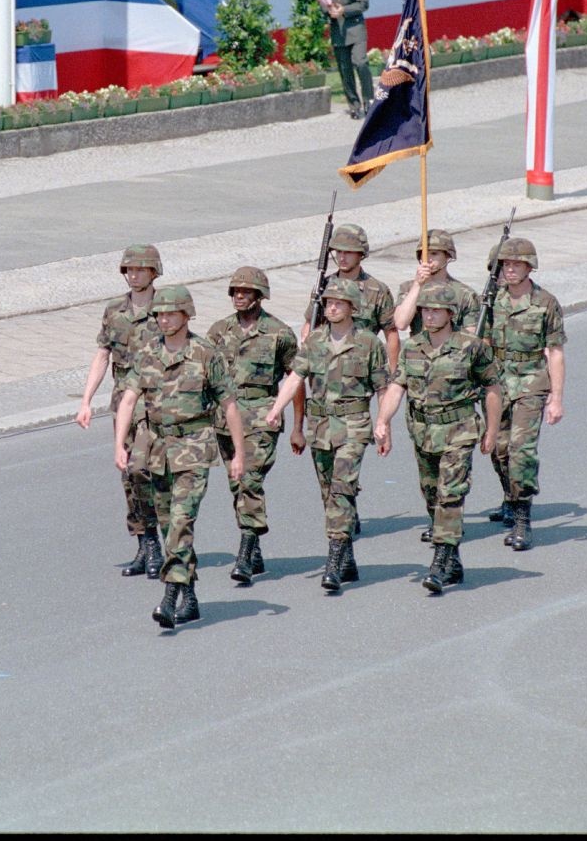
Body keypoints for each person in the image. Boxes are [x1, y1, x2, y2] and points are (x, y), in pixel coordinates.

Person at [115, 286, 246, 629]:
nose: (163, 318)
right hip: (156, 448)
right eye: (159, 313)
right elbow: (128, 400)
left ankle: (170, 596)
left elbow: (229, 406)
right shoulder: (146, 354)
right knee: (167, 522)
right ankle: (190, 599)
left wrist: (238, 455)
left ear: (187, 315)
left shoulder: (205, 353)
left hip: (193, 447)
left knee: (181, 521)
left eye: (170, 313)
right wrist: (119, 445)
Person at [266, 278, 390, 592]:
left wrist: (383, 423)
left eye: (338, 303)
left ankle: (333, 562)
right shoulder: (314, 341)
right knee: (328, 494)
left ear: (352, 307)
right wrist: (277, 409)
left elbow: (382, 388)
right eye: (328, 302)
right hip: (320, 429)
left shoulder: (368, 344)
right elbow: (296, 378)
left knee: (341, 491)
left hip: (353, 427)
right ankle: (346, 557)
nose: (331, 307)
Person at [375, 284, 501, 592]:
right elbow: (397, 387)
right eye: (425, 310)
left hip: (459, 431)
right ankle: (453, 559)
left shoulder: (471, 347)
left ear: (450, 314)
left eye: (435, 311)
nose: (429, 316)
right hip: (423, 433)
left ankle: (440, 563)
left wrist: (493, 431)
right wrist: (382, 419)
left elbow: (493, 389)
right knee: (432, 498)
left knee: (450, 496)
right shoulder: (413, 348)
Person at [205, 267, 299, 585]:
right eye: (235, 291)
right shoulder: (218, 332)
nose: (239, 297)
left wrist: (297, 423)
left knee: (249, 478)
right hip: (226, 417)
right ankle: (255, 547)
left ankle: (245, 552)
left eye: (245, 292)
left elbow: (296, 379)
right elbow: (207, 377)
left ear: (260, 296)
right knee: (237, 483)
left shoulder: (280, 334)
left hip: (262, 415)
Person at [76, 245, 165, 580]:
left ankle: (158, 543)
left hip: (157, 401)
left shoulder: (167, 307)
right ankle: (144, 544)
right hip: (123, 400)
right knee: (128, 474)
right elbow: (103, 354)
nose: (133, 274)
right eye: (129, 269)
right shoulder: (115, 310)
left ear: (154, 272)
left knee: (146, 469)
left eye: (140, 269)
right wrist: (86, 400)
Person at [484, 237, 566, 551]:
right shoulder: (492, 300)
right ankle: (509, 495)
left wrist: (556, 398)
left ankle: (522, 518)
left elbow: (555, 352)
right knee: (498, 448)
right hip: (498, 382)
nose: (510, 270)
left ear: (529, 267)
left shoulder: (545, 302)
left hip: (531, 381)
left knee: (521, 450)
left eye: (516, 264)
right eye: (506, 264)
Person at [301, 224, 398, 370]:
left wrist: (393, 372)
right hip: (325, 365)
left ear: (361, 254)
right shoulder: (324, 285)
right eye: (338, 251)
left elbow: (391, 333)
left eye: (348, 252)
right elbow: (310, 323)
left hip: (360, 368)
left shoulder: (377, 290)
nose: (342, 257)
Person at [317, 0, 374, 119]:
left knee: (361, 62)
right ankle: (354, 104)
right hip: (338, 30)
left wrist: (344, 10)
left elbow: (363, 4)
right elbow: (323, 0)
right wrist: (328, 9)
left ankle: (369, 100)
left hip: (355, 28)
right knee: (344, 69)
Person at [393, 229, 483, 341]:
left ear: (447, 256)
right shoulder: (408, 288)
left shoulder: (465, 294)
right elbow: (401, 323)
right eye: (424, 254)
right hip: (418, 353)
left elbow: (471, 338)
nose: (428, 259)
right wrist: (417, 285)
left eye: (434, 254)